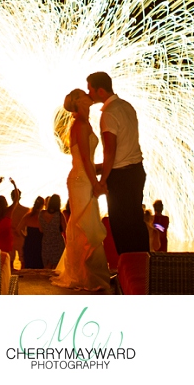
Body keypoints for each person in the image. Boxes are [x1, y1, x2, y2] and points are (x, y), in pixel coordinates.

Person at [52, 88, 110, 291]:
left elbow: (87, 160)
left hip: (82, 177)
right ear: (79, 101)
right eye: (84, 93)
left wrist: (106, 167)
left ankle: (85, 271)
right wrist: (96, 183)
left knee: (85, 224)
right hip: (81, 180)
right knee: (85, 225)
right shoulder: (80, 125)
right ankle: (84, 273)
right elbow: (85, 159)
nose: (89, 94)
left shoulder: (85, 124)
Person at [87, 71, 149, 254]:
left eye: (89, 89)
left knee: (120, 226)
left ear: (100, 91)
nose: (88, 93)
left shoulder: (109, 113)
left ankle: (126, 269)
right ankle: (144, 266)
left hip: (120, 176)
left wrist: (102, 180)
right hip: (137, 171)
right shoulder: (127, 106)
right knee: (136, 222)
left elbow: (110, 150)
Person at [39, 194, 66, 269]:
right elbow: (65, 229)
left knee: (47, 265)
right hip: (57, 242)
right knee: (57, 267)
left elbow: (41, 229)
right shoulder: (59, 215)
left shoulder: (41, 214)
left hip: (46, 241)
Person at [18, 196, 44, 269]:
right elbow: (42, 230)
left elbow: (18, 229)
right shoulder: (42, 217)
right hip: (39, 243)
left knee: (29, 264)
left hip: (29, 242)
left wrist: (25, 236)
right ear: (42, 205)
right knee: (39, 265)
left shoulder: (28, 216)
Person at [8, 182, 29, 267]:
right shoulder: (26, 210)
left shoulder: (7, 210)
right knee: (22, 259)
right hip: (21, 236)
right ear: (19, 197)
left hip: (10, 237)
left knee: (10, 259)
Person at [0, 195, 14, 265]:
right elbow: (16, 200)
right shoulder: (8, 211)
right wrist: (14, 185)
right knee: (7, 258)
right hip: (6, 237)